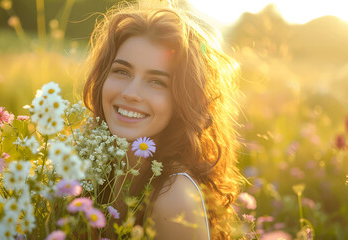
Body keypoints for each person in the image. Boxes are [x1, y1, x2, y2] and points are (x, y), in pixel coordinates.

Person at [83, 0, 244, 239]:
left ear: (183, 99)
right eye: (121, 71)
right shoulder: (93, 167)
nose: (130, 93)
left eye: (156, 81)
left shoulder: (173, 196)